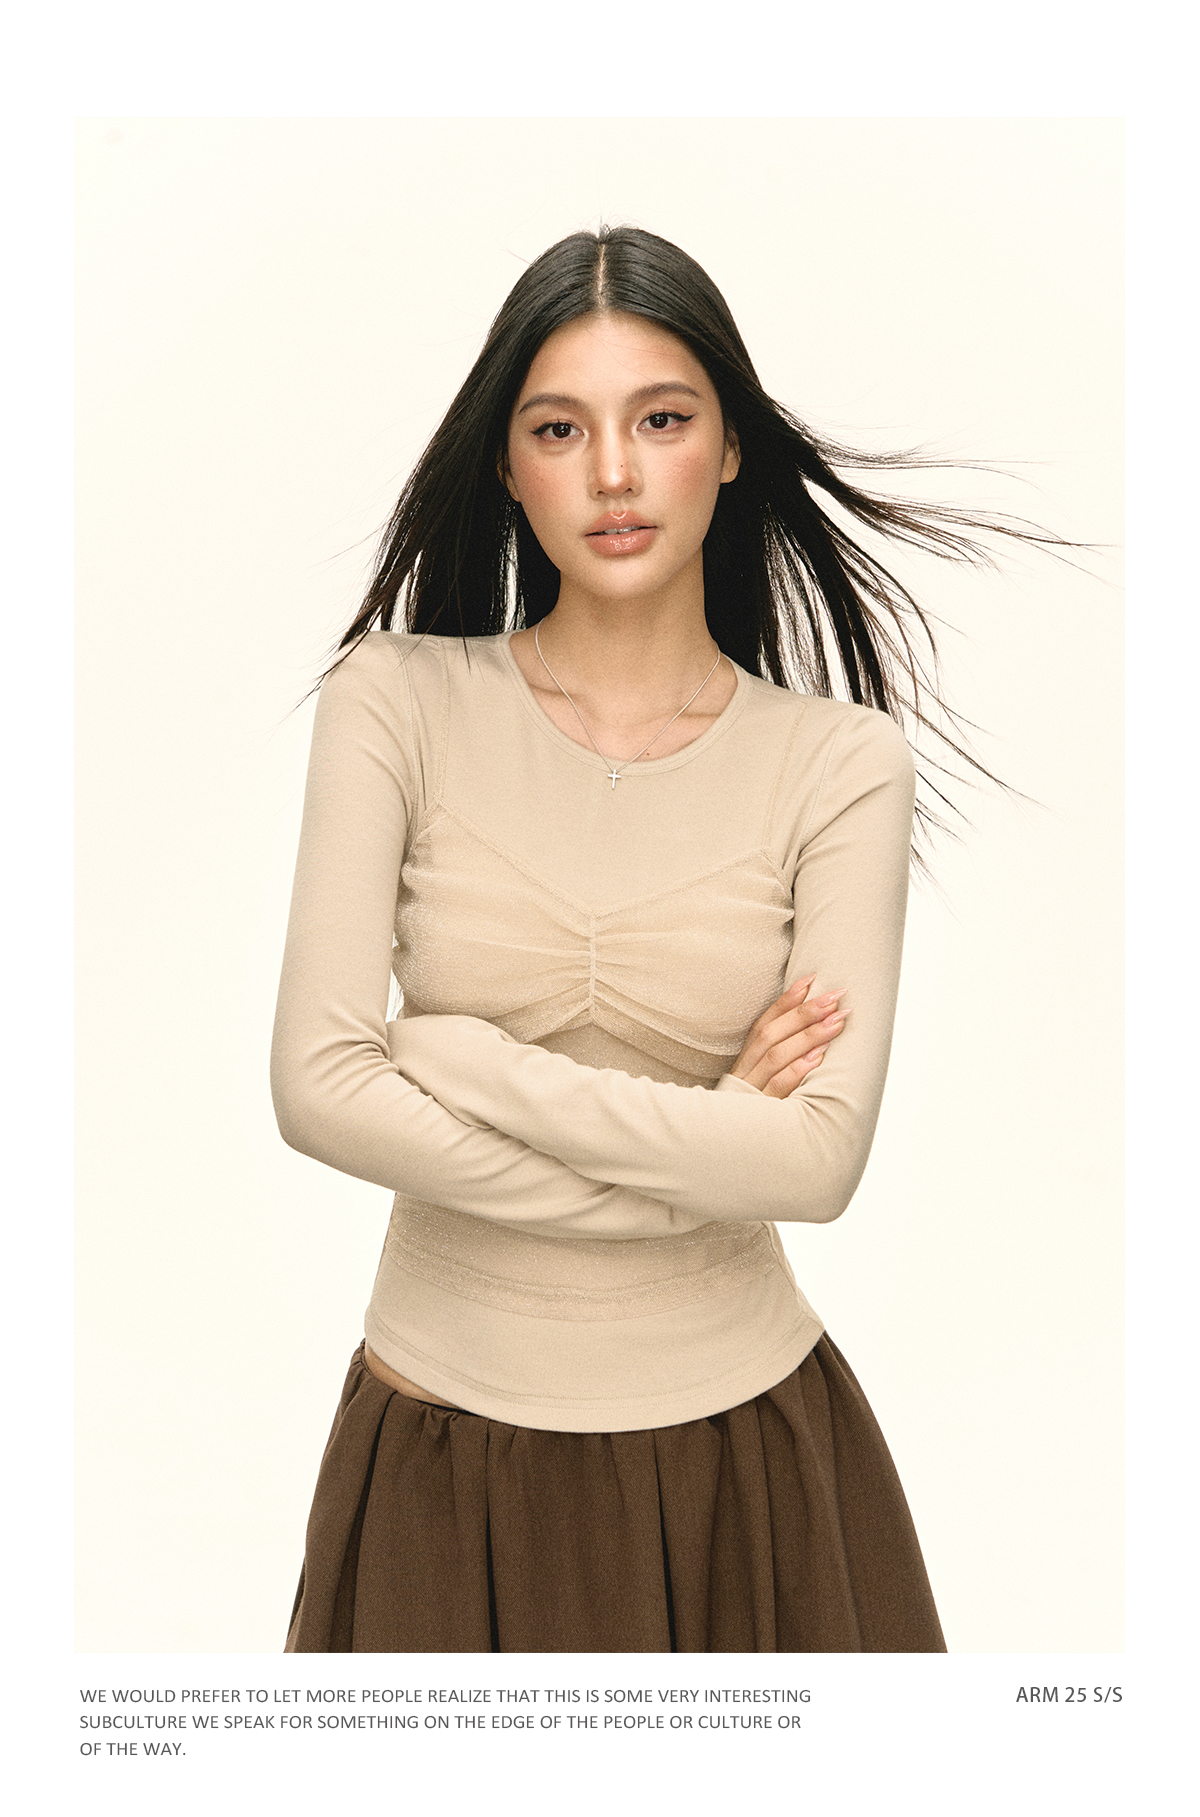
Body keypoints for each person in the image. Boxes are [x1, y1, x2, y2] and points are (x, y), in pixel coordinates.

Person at [271, 224, 1019, 1654]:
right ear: (508, 465)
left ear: (729, 447)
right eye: (560, 429)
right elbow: (316, 1089)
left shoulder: (842, 766)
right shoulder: (394, 699)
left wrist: (461, 1060)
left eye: (661, 420)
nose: (613, 473)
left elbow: (814, 1164)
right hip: (437, 1458)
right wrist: (706, 1147)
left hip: (750, 1472)